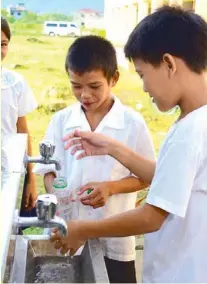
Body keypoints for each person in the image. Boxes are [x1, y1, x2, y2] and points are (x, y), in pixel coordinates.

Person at [51, 6, 207, 283]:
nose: (145, 88)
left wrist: (83, 229)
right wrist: (112, 148)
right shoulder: (194, 120)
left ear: (169, 64)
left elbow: (152, 216)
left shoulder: (190, 132)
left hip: (180, 272)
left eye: (143, 74)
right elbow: (169, 180)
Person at [34, 35, 155, 283]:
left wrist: (111, 188)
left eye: (94, 86)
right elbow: (48, 170)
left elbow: (146, 177)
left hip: (115, 235)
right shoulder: (61, 120)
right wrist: (57, 192)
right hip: (70, 232)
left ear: (114, 79)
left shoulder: (132, 123)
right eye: (76, 86)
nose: (85, 95)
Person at [1, 17, 37, 214]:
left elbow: (22, 130)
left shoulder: (15, 83)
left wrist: (31, 178)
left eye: (3, 44)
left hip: (8, 175)